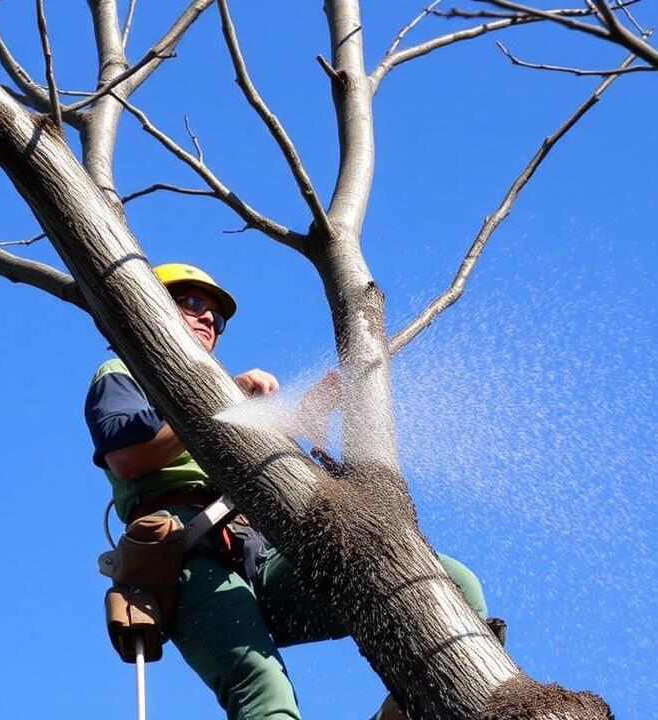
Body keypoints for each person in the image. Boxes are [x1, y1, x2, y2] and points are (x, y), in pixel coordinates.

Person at [84, 262, 490, 720]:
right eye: (193, 303)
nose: (206, 320)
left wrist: (303, 416)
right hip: (189, 557)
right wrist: (219, 401)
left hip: (266, 552)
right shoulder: (121, 371)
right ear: (152, 306)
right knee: (263, 690)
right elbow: (129, 455)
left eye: (215, 318)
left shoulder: (229, 397)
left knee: (452, 585)